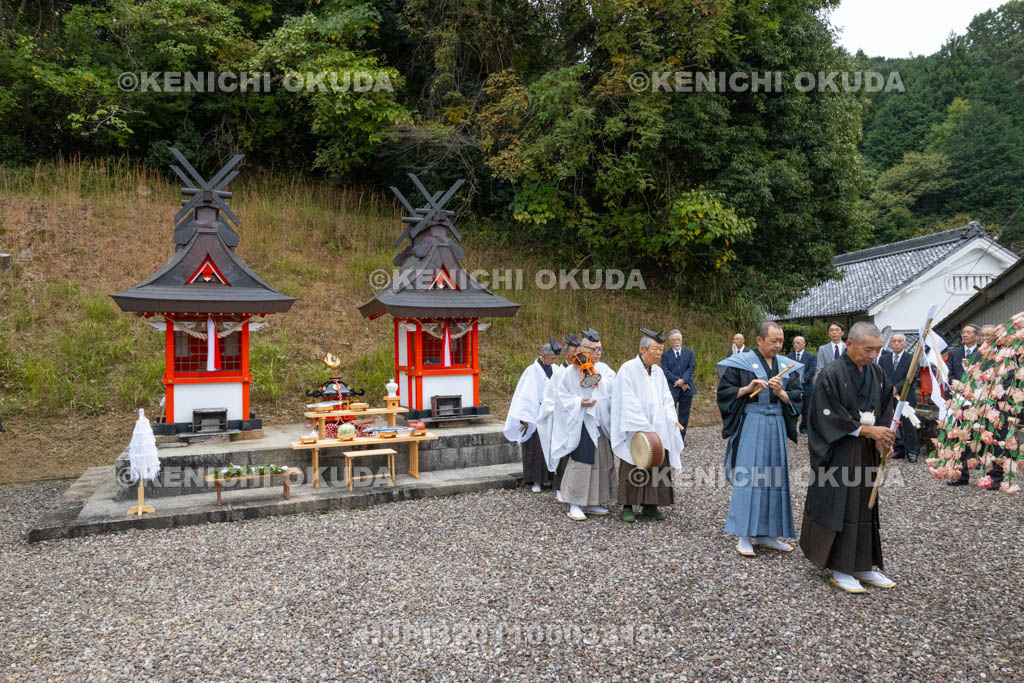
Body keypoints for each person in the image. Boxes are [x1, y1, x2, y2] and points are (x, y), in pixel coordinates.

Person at [799, 321, 897, 593]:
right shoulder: (830, 374)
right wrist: (867, 430)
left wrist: (883, 440)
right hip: (839, 450)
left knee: (866, 504)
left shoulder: (877, 372)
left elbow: (887, 405)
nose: (873, 355)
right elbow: (823, 415)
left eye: (878, 349)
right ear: (849, 344)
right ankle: (841, 567)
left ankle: (863, 564)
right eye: (868, 349)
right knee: (843, 505)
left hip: (867, 450)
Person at [717, 321, 804, 557]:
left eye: (781, 341)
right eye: (773, 341)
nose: (778, 345)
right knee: (749, 475)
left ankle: (767, 533)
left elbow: (797, 397)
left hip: (775, 423)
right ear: (759, 340)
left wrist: (780, 392)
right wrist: (747, 388)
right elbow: (724, 393)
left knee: (774, 477)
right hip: (751, 422)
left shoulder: (786, 365)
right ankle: (744, 534)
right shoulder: (741, 363)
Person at [610, 329, 684, 523]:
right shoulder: (628, 369)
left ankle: (651, 505)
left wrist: (670, 416)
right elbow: (625, 399)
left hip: (658, 426)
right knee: (633, 462)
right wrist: (642, 422)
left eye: (661, 349)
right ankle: (627, 505)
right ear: (642, 349)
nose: (660, 353)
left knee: (659, 462)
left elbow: (666, 398)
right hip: (636, 426)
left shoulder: (658, 372)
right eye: (656, 349)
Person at [552, 331, 617, 520]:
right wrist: (579, 402)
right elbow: (561, 397)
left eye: (600, 349)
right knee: (582, 462)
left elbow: (613, 389)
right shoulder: (571, 371)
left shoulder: (604, 369)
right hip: (582, 421)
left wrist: (601, 382)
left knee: (602, 462)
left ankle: (594, 501)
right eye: (595, 349)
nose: (598, 353)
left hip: (600, 421)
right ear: (583, 349)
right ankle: (575, 503)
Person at [948, 324, 1005, 490]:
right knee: (966, 438)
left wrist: (990, 394)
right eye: (984, 335)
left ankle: (995, 477)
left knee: (996, 441)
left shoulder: (1003, 354)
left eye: (990, 335)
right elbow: (969, 377)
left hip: (994, 404)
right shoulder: (976, 355)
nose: (986, 338)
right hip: (973, 402)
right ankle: (962, 473)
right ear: (979, 337)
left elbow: (1006, 379)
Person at [503, 338, 561, 492]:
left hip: (551, 414)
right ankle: (535, 481)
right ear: (543, 355)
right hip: (535, 413)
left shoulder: (556, 369)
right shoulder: (532, 370)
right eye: (552, 358)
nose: (554, 360)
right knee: (535, 447)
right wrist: (525, 417)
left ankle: (549, 479)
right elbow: (525, 396)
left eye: (555, 358)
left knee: (551, 447)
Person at [540, 333, 582, 502]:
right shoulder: (560, 373)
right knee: (563, 455)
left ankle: (576, 490)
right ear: (567, 354)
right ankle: (560, 488)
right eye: (575, 352)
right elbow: (550, 399)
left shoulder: (582, 371)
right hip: (563, 420)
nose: (578, 355)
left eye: (580, 352)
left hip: (578, 418)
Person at [878, 333, 919, 463]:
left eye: (899, 341)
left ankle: (912, 451)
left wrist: (897, 388)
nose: (896, 343)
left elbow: (912, 375)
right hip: (889, 396)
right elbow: (881, 375)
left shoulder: (911, 358)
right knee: (892, 423)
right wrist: (889, 389)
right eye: (894, 341)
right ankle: (898, 449)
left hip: (906, 395)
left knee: (908, 424)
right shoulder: (884, 358)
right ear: (890, 343)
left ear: (904, 343)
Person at [662, 329, 696, 443]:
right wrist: (678, 381)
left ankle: (680, 438)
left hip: (687, 388)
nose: (676, 342)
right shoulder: (665, 355)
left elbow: (691, 368)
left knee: (684, 415)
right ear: (670, 342)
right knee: (670, 413)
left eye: (678, 339)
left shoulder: (689, 353)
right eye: (674, 340)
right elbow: (666, 371)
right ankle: (670, 437)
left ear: (681, 341)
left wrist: (684, 380)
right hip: (673, 388)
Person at [791, 336, 816, 435]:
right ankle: (792, 428)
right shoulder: (789, 357)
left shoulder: (811, 357)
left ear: (804, 343)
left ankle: (804, 428)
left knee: (806, 409)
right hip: (792, 387)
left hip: (806, 386)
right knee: (792, 408)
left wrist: (803, 379)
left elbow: (812, 370)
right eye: (794, 343)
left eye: (798, 342)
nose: (796, 344)